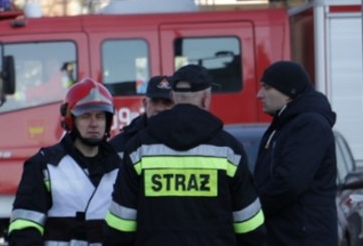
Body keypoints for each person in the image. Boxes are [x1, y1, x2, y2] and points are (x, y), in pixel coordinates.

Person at [104, 64, 265, 245]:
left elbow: (120, 224)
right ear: (205, 98)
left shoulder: (139, 147)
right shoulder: (229, 149)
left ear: (173, 96)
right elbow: (249, 225)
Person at [7, 77, 121, 245]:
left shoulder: (120, 168)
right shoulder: (44, 166)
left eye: (100, 116)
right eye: (85, 116)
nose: (94, 124)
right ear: (70, 120)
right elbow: (24, 230)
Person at [254, 61, 337, 246]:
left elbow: (289, 181)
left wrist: (252, 208)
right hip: (289, 234)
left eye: (267, 88)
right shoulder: (285, 123)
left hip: (303, 237)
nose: (259, 95)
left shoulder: (309, 124)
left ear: (289, 93)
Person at [109, 75, 174, 156]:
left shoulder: (191, 139)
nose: (159, 108)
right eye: (154, 101)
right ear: (145, 104)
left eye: (166, 102)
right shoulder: (118, 145)